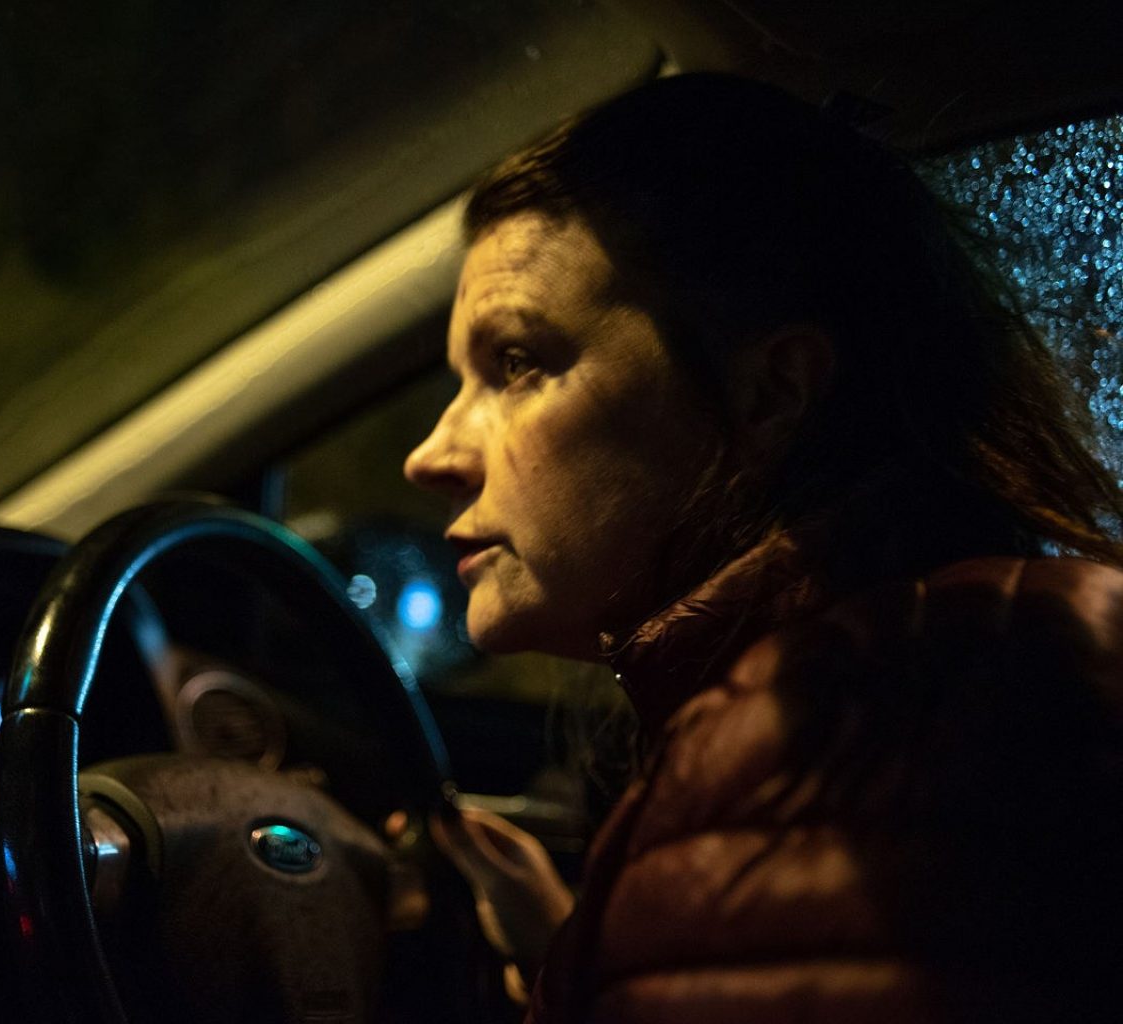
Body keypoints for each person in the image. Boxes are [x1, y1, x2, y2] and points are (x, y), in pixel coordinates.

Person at [404, 73, 1123, 1022]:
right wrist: (588, 952)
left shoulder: (839, 745)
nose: (432, 456)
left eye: (518, 363)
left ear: (771, 393)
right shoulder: (955, 658)